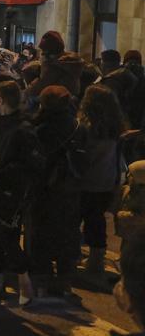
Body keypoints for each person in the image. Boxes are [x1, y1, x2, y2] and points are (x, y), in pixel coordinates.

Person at [0, 81, 40, 306]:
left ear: (1, 99)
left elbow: (29, 164)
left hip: (12, 193)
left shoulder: (23, 129)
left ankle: (25, 284)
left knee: (9, 239)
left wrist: (2, 172)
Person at [29, 85, 83, 297]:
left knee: (40, 234)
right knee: (66, 234)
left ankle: (41, 280)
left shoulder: (38, 127)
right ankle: (64, 280)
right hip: (69, 188)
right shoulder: (78, 126)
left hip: (43, 188)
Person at [78, 84, 127, 277]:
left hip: (87, 180)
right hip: (107, 180)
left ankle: (75, 258)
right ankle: (96, 261)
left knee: (77, 218)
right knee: (97, 220)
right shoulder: (116, 127)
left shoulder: (86, 127)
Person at [27, 31, 84, 99]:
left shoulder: (53, 66)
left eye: (43, 51)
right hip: (70, 102)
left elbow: (37, 88)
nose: (42, 54)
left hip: (56, 103)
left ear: (49, 51)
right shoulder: (69, 61)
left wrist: (25, 91)